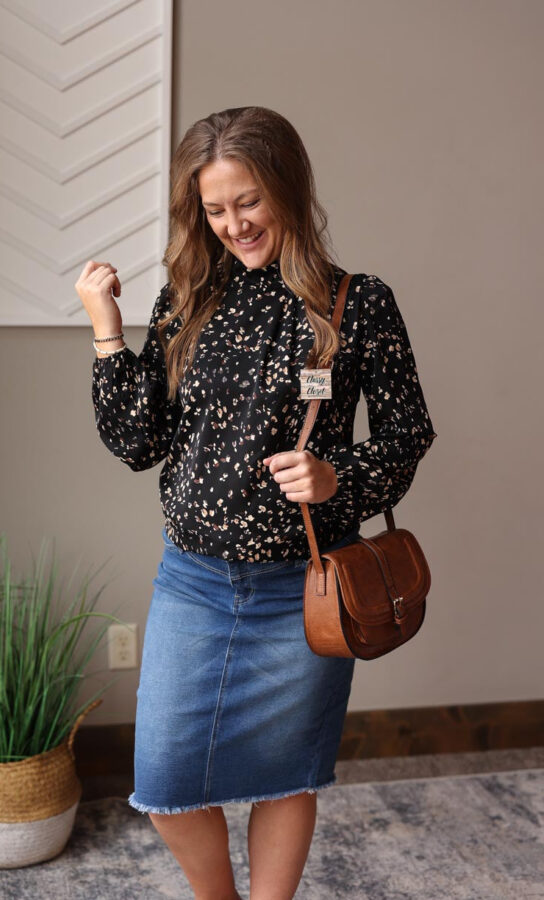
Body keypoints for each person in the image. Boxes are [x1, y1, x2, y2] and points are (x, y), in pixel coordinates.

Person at [76, 106, 437, 900]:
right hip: (194, 581)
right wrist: (107, 330)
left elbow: (411, 431)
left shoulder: (356, 303)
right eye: (214, 208)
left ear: (288, 190)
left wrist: (340, 477)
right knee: (166, 784)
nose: (234, 223)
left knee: (284, 778)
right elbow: (139, 443)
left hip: (304, 589)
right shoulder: (188, 299)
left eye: (249, 201)